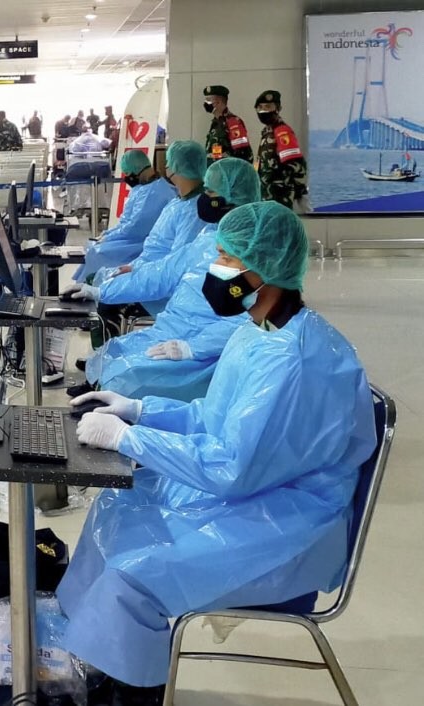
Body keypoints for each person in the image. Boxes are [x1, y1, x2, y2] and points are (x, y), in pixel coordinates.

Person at [61, 200, 376, 703]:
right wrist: (139, 410)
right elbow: (214, 417)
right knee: (118, 504)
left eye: (228, 259)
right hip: (260, 492)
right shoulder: (261, 328)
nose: (216, 269)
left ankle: (130, 692)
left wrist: (127, 439)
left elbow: (231, 466)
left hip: (290, 527)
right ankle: (84, 661)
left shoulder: (289, 362)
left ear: (268, 268)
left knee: (132, 576)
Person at [81, 158, 263, 402]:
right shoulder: (209, 236)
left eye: (209, 191)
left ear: (230, 196)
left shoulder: (255, 249)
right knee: (109, 355)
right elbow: (163, 272)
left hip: (202, 349)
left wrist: (193, 348)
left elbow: (250, 319)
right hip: (173, 329)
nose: (203, 197)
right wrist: (103, 291)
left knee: (124, 378)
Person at [64, 140, 208, 362]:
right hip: (148, 269)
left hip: (161, 284)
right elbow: (157, 247)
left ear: (176, 167)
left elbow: (172, 267)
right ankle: (102, 357)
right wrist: (134, 267)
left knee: (106, 298)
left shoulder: (192, 211)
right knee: (97, 278)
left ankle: (102, 362)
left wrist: (130, 276)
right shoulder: (179, 202)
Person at [72, 150, 175, 284]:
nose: (127, 176)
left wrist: (109, 238)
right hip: (133, 239)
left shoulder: (154, 193)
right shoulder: (142, 188)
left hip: (142, 244)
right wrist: (107, 234)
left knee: (98, 253)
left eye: (128, 173)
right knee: (93, 248)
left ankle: (92, 290)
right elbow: (126, 222)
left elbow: (135, 228)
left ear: (137, 169)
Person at [254, 89, 308, 209]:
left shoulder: (282, 131)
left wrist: (300, 192)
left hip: (279, 196)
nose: (263, 111)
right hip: (266, 195)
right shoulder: (267, 131)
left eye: (268, 107)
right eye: (260, 107)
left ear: (277, 109)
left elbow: (295, 164)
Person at [202, 85, 253, 164]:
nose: (205, 103)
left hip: (229, 173)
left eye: (208, 100)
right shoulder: (216, 123)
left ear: (219, 102)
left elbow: (242, 154)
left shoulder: (233, 122)